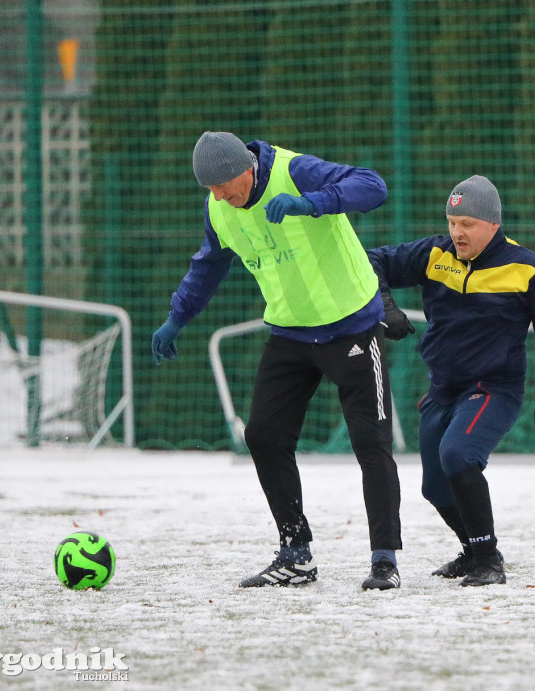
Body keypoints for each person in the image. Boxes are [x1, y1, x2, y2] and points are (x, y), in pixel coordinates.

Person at [151, 131, 403, 590]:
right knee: (263, 436)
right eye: (210, 189)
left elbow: (374, 186)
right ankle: (295, 554)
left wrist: (311, 203)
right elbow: (208, 266)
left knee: (371, 443)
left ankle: (384, 560)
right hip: (290, 331)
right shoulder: (218, 208)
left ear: (245, 168)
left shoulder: (295, 171)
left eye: (223, 185)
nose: (219, 196)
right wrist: (176, 318)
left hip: (352, 324)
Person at [367, 175, 535, 586]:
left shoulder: (526, 268)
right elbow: (370, 260)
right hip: (442, 389)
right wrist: (385, 304)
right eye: (452, 222)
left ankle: (488, 562)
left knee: (459, 455)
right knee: (434, 487)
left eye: (467, 224)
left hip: (493, 389)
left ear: (493, 224)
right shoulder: (435, 254)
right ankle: (473, 551)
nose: (457, 232)